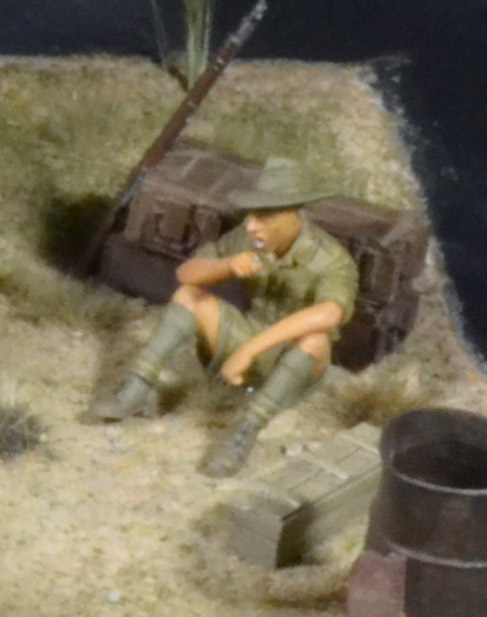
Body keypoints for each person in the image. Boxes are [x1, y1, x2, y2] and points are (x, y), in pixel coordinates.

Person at [87, 159, 361, 476]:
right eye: (252, 215)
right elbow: (186, 274)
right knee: (189, 296)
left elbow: (330, 313)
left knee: (315, 340)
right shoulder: (247, 240)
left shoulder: (332, 260)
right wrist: (226, 266)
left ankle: (245, 431)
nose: (251, 225)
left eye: (264, 216)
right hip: (244, 334)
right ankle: (138, 385)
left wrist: (249, 351)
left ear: (292, 215)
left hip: (291, 365)